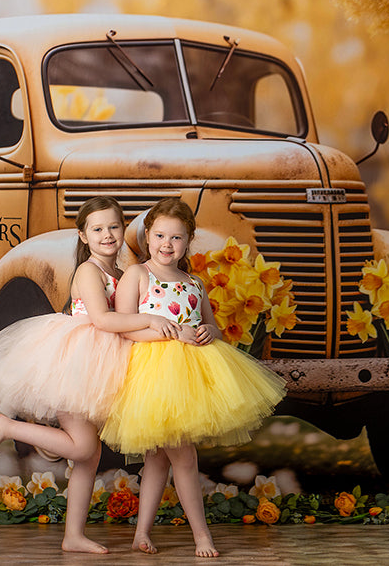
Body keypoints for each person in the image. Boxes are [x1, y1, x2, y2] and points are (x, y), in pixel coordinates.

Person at [0, 196, 179, 554]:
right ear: (83, 236)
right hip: (79, 361)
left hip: (106, 362)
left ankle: (73, 536)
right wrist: (151, 320)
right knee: (84, 447)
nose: (107, 235)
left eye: (114, 227)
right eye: (97, 229)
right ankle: (7, 427)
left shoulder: (120, 272)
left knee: (89, 456)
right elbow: (102, 320)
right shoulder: (88, 271)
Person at [100, 197, 287, 558]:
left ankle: (141, 533)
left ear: (189, 241)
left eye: (176, 238)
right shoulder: (139, 275)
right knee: (184, 458)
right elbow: (125, 329)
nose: (166, 245)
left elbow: (213, 327)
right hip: (152, 375)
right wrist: (172, 334)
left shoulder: (194, 282)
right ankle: (202, 536)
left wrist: (208, 334)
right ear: (147, 236)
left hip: (191, 375)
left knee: (158, 459)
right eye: (159, 236)